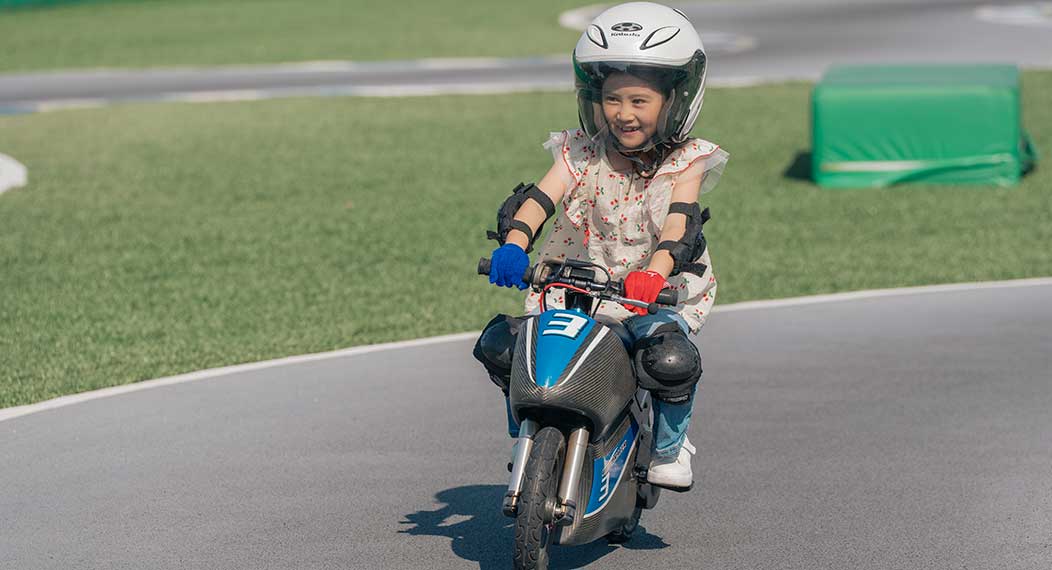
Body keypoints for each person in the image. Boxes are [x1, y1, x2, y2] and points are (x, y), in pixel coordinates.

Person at [472, 1, 728, 490]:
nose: (623, 113)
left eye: (639, 101)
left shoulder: (687, 162)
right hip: (574, 284)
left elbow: (680, 224)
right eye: (613, 99)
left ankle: (671, 447)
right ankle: (528, 424)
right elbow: (539, 199)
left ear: (675, 101)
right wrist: (514, 244)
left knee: (668, 360)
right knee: (502, 345)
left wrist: (654, 272)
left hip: (650, 290)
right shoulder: (579, 152)